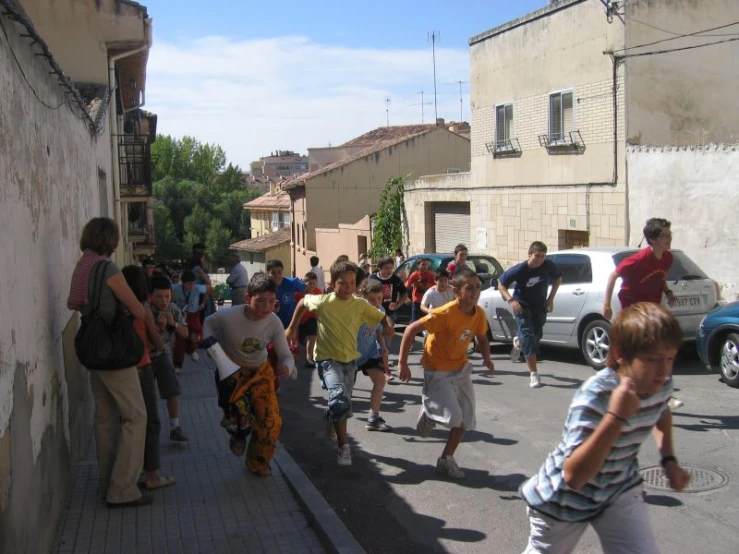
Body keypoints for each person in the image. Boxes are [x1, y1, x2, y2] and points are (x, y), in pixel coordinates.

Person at [519, 303, 691, 554]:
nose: (664, 370)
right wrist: (615, 418)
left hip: (619, 488)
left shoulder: (660, 381)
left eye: (670, 358)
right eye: (653, 359)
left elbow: (661, 409)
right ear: (620, 353)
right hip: (563, 502)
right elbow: (574, 476)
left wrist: (669, 460)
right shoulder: (595, 396)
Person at [67, 217, 150, 508]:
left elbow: (75, 304)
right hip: (114, 351)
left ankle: (108, 484)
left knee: (105, 420)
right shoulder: (108, 269)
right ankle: (124, 488)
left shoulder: (83, 265)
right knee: (136, 416)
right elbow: (138, 311)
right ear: (110, 239)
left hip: (91, 346)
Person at [286, 260, 393, 466]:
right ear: (333, 283)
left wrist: (388, 325)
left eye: (352, 283)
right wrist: (292, 328)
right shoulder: (324, 301)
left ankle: (330, 418)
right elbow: (301, 303)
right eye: (343, 283)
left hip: (350, 360)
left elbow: (380, 316)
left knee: (341, 404)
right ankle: (344, 446)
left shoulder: (359, 304)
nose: (348, 288)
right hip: (327, 360)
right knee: (339, 399)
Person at [398, 267, 494, 479]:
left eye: (478, 287)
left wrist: (487, 358)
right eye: (469, 288)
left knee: (466, 420)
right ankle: (430, 412)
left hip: (460, 369)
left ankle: (445, 460)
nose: (475, 292)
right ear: (456, 291)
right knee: (455, 417)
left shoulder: (479, 313)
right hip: (437, 369)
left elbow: (482, 337)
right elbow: (410, 329)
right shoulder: (445, 313)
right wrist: (402, 363)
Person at [202, 273, 296, 477]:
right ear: (247, 298)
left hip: (261, 374)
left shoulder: (274, 323)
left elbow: (286, 356)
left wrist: (286, 367)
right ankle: (238, 434)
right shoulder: (228, 316)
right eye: (260, 301)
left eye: (271, 301)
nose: (266, 307)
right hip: (232, 375)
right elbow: (208, 324)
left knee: (271, 423)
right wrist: (213, 349)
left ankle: (257, 461)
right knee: (239, 422)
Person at [602, 218, 683, 411]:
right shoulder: (637, 260)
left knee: (660, 350)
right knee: (636, 351)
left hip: (652, 309)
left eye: (669, 234)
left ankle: (662, 395)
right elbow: (613, 276)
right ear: (653, 240)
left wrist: (668, 293)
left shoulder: (667, 258)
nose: (669, 238)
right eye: (664, 235)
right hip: (633, 309)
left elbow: (660, 277)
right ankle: (615, 387)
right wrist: (606, 305)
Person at [121, 265, 176, 492]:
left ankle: (130, 472)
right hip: (141, 367)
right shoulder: (141, 310)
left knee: (125, 422)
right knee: (150, 421)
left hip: (119, 370)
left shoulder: (115, 307)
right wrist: (160, 327)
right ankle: (152, 473)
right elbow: (157, 343)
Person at [498, 241, 562, 389]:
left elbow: (558, 278)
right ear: (529, 255)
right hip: (522, 305)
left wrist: (550, 299)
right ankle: (534, 374)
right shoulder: (519, 269)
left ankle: (518, 343)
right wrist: (511, 300)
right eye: (536, 256)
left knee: (536, 336)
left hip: (540, 306)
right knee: (528, 336)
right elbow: (501, 285)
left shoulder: (548, 266)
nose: (539, 259)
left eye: (542, 256)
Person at [149, 276, 190, 442]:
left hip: (163, 355)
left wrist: (174, 324)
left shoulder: (172, 309)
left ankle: (174, 427)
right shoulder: (145, 310)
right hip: (145, 357)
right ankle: (149, 429)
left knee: (172, 391)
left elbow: (185, 334)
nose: (163, 300)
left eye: (167, 296)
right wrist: (158, 328)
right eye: (159, 297)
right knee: (148, 396)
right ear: (151, 296)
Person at [355, 278, 393, 432]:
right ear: (363, 297)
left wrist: (383, 348)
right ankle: (335, 416)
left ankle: (373, 418)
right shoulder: (356, 311)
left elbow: (378, 331)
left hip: (370, 352)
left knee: (380, 381)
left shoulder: (381, 312)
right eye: (372, 300)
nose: (376, 303)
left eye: (379, 299)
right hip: (350, 354)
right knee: (345, 390)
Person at [370, 256, 407, 378]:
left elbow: (404, 294)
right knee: (380, 343)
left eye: (391, 268)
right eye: (386, 268)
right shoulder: (372, 278)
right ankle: (384, 368)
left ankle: (383, 361)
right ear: (379, 268)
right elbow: (365, 293)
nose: (389, 270)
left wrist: (397, 304)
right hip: (374, 313)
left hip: (389, 315)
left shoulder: (395, 280)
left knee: (387, 341)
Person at [172, 270, 208, 370]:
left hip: (193, 315)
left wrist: (203, 303)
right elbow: (166, 289)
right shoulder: (176, 288)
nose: (192, 286)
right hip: (180, 316)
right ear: (182, 282)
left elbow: (209, 288)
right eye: (189, 284)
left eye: (193, 283)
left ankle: (191, 350)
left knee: (197, 335)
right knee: (180, 340)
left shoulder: (197, 288)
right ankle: (177, 365)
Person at [266, 258, 307, 328]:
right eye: (273, 273)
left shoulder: (292, 282)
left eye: (279, 272)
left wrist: (302, 305)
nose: (276, 275)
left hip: (290, 324)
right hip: (271, 324)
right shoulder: (264, 287)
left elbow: (307, 289)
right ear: (267, 273)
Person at [298, 272, 322, 368]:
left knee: (312, 335)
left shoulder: (319, 292)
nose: (312, 286)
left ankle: (309, 359)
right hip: (300, 321)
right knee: (301, 341)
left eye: (314, 283)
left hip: (312, 319)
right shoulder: (299, 292)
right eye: (309, 283)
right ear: (304, 282)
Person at [404, 257, 436, 323]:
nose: (425, 266)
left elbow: (435, 286)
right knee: (414, 321)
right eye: (423, 264)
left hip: (427, 301)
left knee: (427, 321)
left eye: (427, 264)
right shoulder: (415, 275)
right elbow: (406, 285)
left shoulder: (431, 275)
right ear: (418, 265)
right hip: (416, 301)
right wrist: (406, 298)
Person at [188, 246, 214, 321]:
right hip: (201, 296)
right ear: (201, 258)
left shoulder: (189, 268)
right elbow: (208, 283)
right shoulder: (198, 269)